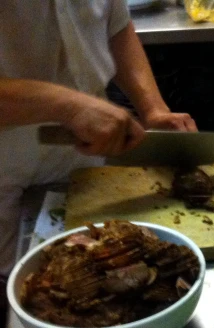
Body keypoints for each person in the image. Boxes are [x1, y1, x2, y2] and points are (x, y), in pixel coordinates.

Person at [0, 1, 197, 277]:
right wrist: (68, 105)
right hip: (5, 168)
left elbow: (115, 27)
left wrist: (153, 109)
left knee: (93, 277)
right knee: (17, 290)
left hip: (85, 162)